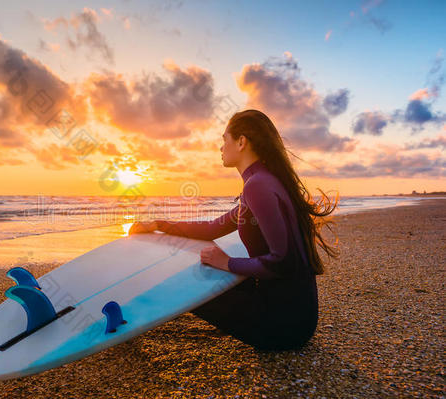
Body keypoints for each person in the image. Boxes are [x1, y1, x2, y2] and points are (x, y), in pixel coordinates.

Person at [129, 109, 339, 351]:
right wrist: (159, 224)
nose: (220, 148)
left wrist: (227, 262)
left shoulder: (257, 185)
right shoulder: (264, 180)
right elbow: (212, 228)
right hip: (300, 320)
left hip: (282, 327)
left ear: (241, 142)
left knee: (190, 283)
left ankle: (132, 315)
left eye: (224, 140)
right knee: (208, 270)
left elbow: (282, 262)